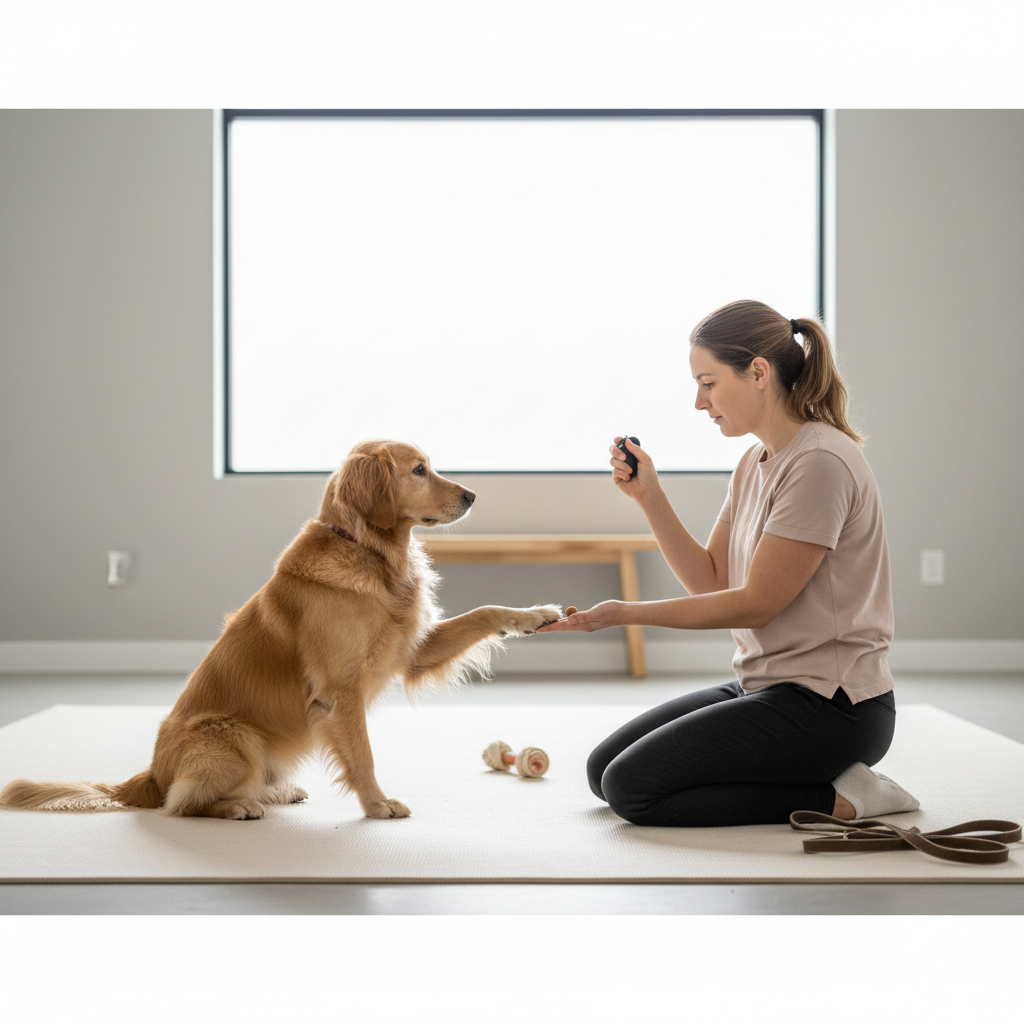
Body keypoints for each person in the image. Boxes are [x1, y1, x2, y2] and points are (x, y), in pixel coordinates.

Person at [537, 299, 919, 827]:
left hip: (833, 708)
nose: (699, 402)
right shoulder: (754, 461)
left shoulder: (820, 463)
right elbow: (711, 582)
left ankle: (847, 798)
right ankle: (820, 782)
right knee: (602, 770)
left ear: (758, 372)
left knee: (633, 790)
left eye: (709, 382)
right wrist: (650, 497)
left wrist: (626, 613)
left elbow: (757, 605)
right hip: (766, 684)